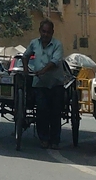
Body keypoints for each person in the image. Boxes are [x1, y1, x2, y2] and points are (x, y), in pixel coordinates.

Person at [25, 16, 67, 146]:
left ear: (52, 32)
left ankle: (55, 140)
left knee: (55, 112)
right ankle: (43, 138)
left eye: (48, 32)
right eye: (43, 31)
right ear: (40, 31)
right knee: (42, 111)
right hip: (39, 84)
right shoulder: (34, 43)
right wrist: (26, 70)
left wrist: (43, 71)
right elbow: (25, 56)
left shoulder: (57, 45)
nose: (45, 34)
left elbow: (55, 61)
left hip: (55, 84)